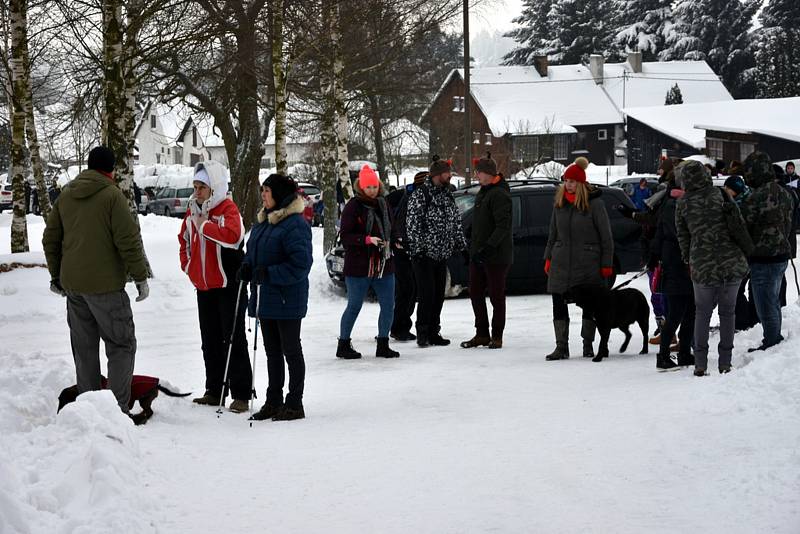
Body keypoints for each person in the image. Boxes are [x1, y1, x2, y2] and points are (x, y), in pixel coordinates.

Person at [42, 146, 149, 418]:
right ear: (111, 170)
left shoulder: (66, 195)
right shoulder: (112, 196)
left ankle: (89, 413)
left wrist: (56, 275)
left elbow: (50, 238)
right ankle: (115, 412)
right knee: (121, 344)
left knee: (84, 348)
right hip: (106, 287)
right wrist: (139, 277)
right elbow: (128, 240)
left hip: (74, 287)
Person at [178, 161, 252, 413]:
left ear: (215, 187)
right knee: (208, 339)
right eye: (195, 186)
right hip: (204, 286)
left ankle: (241, 393)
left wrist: (205, 226)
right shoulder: (192, 210)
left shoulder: (227, 208)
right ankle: (215, 390)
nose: (197, 191)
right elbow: (184, 240)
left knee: (233, 338)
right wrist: (188, 266)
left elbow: (234, 236)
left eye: (202, 187)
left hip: (228, 285)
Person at [240, 174, 312, 421]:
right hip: (265, 297)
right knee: (272, 352)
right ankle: (273, 400)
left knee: (290, 350)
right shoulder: (264, 222)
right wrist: (247, 266)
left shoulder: (295, 224)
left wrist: (268, 273)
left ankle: (294, 402)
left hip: (286, 298)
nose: (263, 195)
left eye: (268, 191)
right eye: (263, 191)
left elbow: (300, 265)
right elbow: (253, 252)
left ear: (280, 194)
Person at [675, 160, 751, 376]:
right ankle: (725, 362)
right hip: (731, 262)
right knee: (728, 313)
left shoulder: (683, 203)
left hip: (702, 265)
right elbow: (738, 223)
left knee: (702, 314)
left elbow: (683, 236)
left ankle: (700, 363)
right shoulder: (721, 194)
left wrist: (688, 260)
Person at [543, 157, 614, 361]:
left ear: (581, 183)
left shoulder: (595, 204)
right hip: (561, 263)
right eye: (566, 181)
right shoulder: (559, 204)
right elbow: (552, 234)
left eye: (573, 181)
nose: (569, 184)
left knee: (589, 305)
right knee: (558, 303)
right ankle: (561, 346)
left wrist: (606, 264)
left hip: (588, 264)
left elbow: (606, 237)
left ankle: (587, 344)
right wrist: (548, 257)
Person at [335, 165, 399, 359]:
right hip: (359, 266)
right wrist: (366, 239)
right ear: (361, 187)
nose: (372, 190)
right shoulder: (353, 206)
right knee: (354, 305)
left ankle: (383, 343)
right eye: (368, 187)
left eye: (374, 186)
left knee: (389, 305)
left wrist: (395, 240)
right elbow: (345, 236)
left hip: (384, 264)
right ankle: (343, 344)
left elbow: (392, 227)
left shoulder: (383, 203)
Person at [406, 156, 468, 347]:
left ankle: (434, 331)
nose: (450, 175)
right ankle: (423, 331)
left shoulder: (447, 194)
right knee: (427, 294)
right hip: (424, 255)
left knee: (439, 295)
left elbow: (455, 222)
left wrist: (461, 246)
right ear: (437, 175)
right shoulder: (421, 195)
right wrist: (419, 249)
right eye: (447, 173)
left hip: (442, 254)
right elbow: (412, 225)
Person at [739, 152, 794, 352]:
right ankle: (773, 339)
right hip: (781, 255)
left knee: (765, 304)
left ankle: (772, 342)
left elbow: (744, 227)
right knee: (774, 300)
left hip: (763, 258)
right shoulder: (785, 193)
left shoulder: (754, 197)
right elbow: (789, 223)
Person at [460, 153, 512, 349]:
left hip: (496, 256)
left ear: (488, 173)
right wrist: (472, 245)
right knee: (475, 292)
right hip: (478, 253)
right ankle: (481, 333)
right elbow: (481, 221)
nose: (476, 176)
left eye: (478, 172)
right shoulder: (484, 191)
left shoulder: (500, 194)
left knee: (496, 296)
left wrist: (489, 247)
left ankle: (496, 335)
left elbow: (503, 226)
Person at [649, 176, 694, 371]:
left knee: (686, 311)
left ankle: (682, 352)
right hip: (679, 263)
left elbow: (658, 235)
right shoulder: (678, 205)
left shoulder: (668, 203)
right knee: (680, 312)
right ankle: (665, 355)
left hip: (672, 262)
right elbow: (682, 235)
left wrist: (655, 255)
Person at [385, 171, 427, 342]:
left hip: (405, 248)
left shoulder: (409, 195)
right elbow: (402, 223)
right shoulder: (411, 198)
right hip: (403, 249)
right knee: (407, 289)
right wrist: (403, 243)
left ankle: (400, 325)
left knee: (408, 289)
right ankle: (398, 327)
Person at [724, 175, 758, 331]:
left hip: (745, 253)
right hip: (747, 253)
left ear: (735, 189)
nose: (725, 191)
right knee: (744, 289)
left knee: (737, 290)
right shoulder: (746, 199)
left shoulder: (741, 206)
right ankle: (751, 321)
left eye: (727, 188)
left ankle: (743, 323)